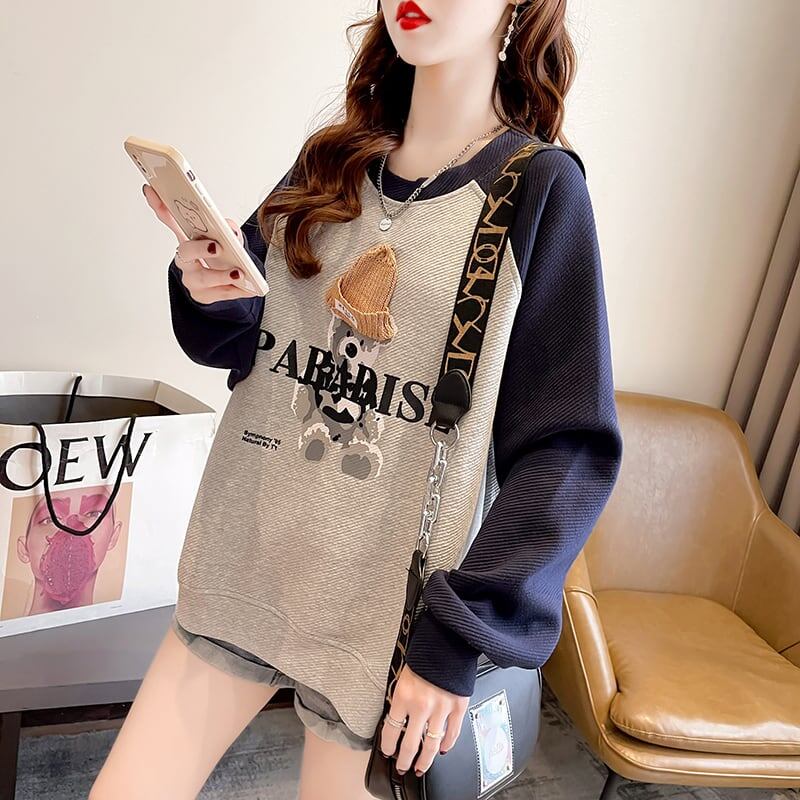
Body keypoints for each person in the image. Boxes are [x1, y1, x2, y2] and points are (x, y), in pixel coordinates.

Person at [90, 1, 623, 797]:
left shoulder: (538, 190)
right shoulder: (331, 161)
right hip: (243, 562)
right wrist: (206, 286)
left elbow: (567, 449)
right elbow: (247, 344)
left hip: (380, 627)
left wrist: (458, 637)